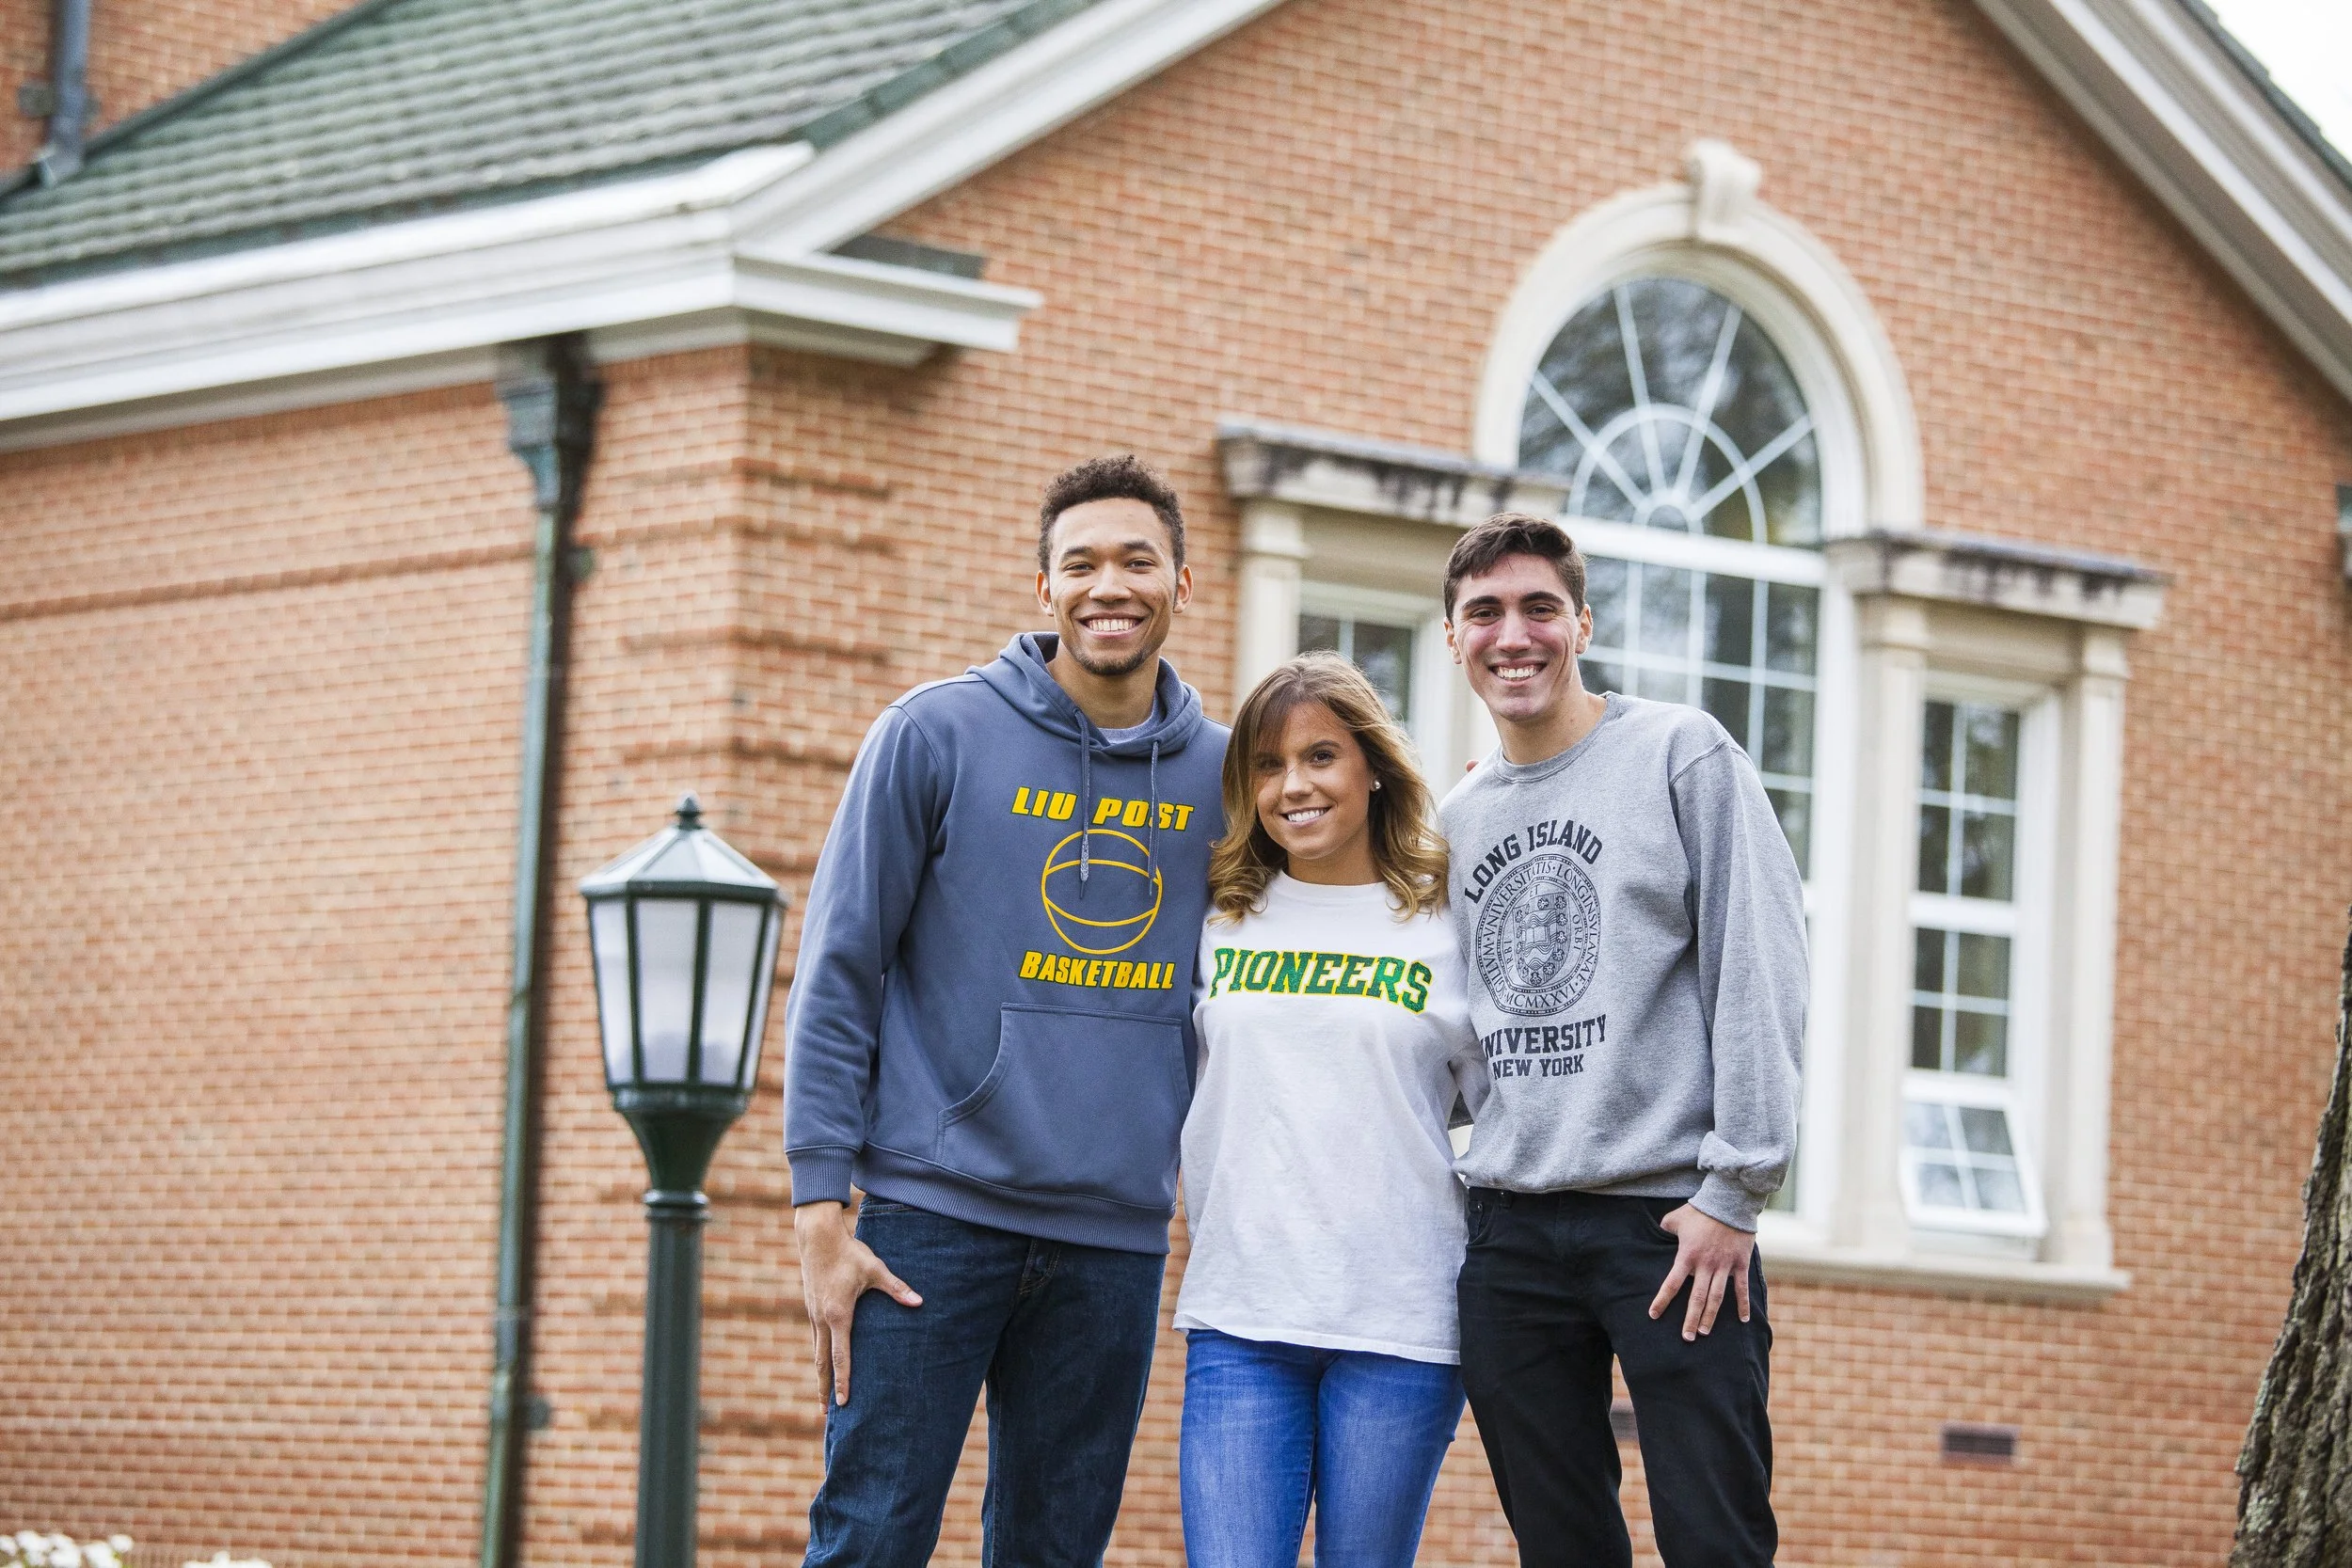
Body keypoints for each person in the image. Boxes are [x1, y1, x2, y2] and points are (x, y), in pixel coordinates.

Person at [782, 454, 1229, 1568]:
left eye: (1136, 560)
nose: (1106, 585)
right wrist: (818, 1208)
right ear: (1044, 589)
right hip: (931, 1221)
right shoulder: (933, 735)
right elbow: (841, 968)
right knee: (871, 1534)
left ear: (1185, 582)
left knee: (1053, 1550)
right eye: (1078, 564)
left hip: (1114, 1238)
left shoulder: (1230, 778)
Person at [1439, 513, 1805, 1568]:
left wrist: (1736, 1189)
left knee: (1714, 1537)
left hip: (1669, 1224)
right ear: (1456, 636)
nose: (1514, 634)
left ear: (1582, 622)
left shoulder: (1679, 752)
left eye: (1538, 607)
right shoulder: (1456, 818)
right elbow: (1449, 1030)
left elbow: (1760, 958)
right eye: (1486, 612)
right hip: (1508, 1231)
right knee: (1560, 1546)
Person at [1175, 652, 1488, 1568]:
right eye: (1267, 765)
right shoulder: (1219, 914)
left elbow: (1508, 1107)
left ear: (1372, 766)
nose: (1293, 784)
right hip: (1242, 1316)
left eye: (1319, 755)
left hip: (1400, 1323)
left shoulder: (1442, 922)